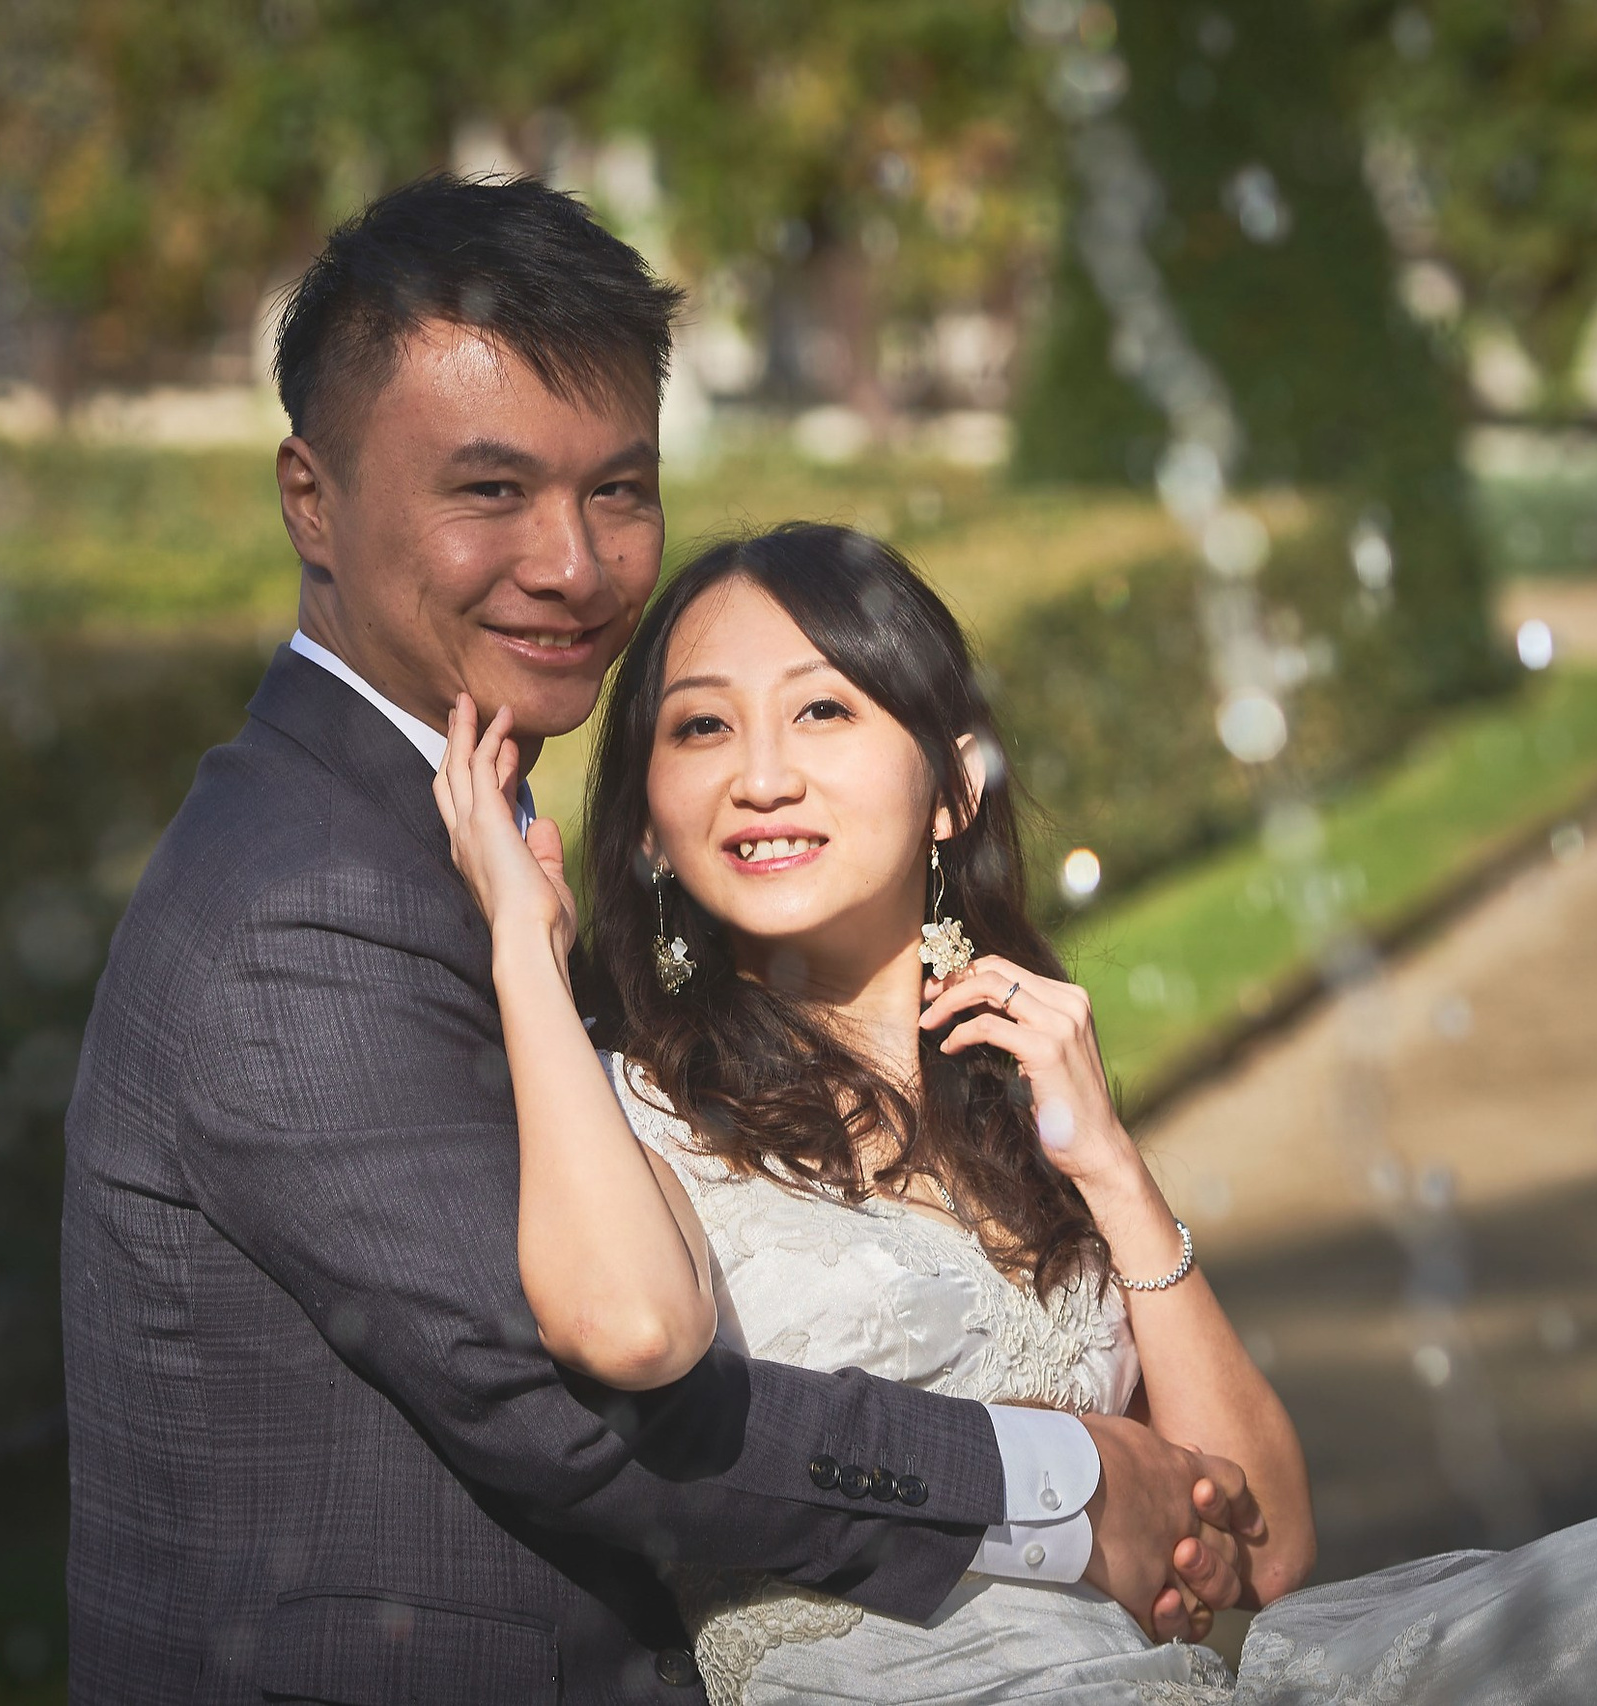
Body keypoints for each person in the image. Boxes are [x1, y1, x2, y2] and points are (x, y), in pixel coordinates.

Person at [431, 521, 1597, 1705]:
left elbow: (1268, 1547)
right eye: (702, 727)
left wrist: (1111, 1170)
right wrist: (524, 940)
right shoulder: (635, 1097)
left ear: (954, 784)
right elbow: (631, 1327)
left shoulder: (1020, 1108)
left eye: (828, 712)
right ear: (642, 816)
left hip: (1184, 1673)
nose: (759, 773)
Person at [61, 175, 1250, 1706]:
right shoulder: (306, 907)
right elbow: (568, 1417)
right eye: (489, 492)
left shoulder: (436, 826)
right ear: (313, 498)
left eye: (618, 489)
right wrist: (1060, 1481)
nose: (572, 563)